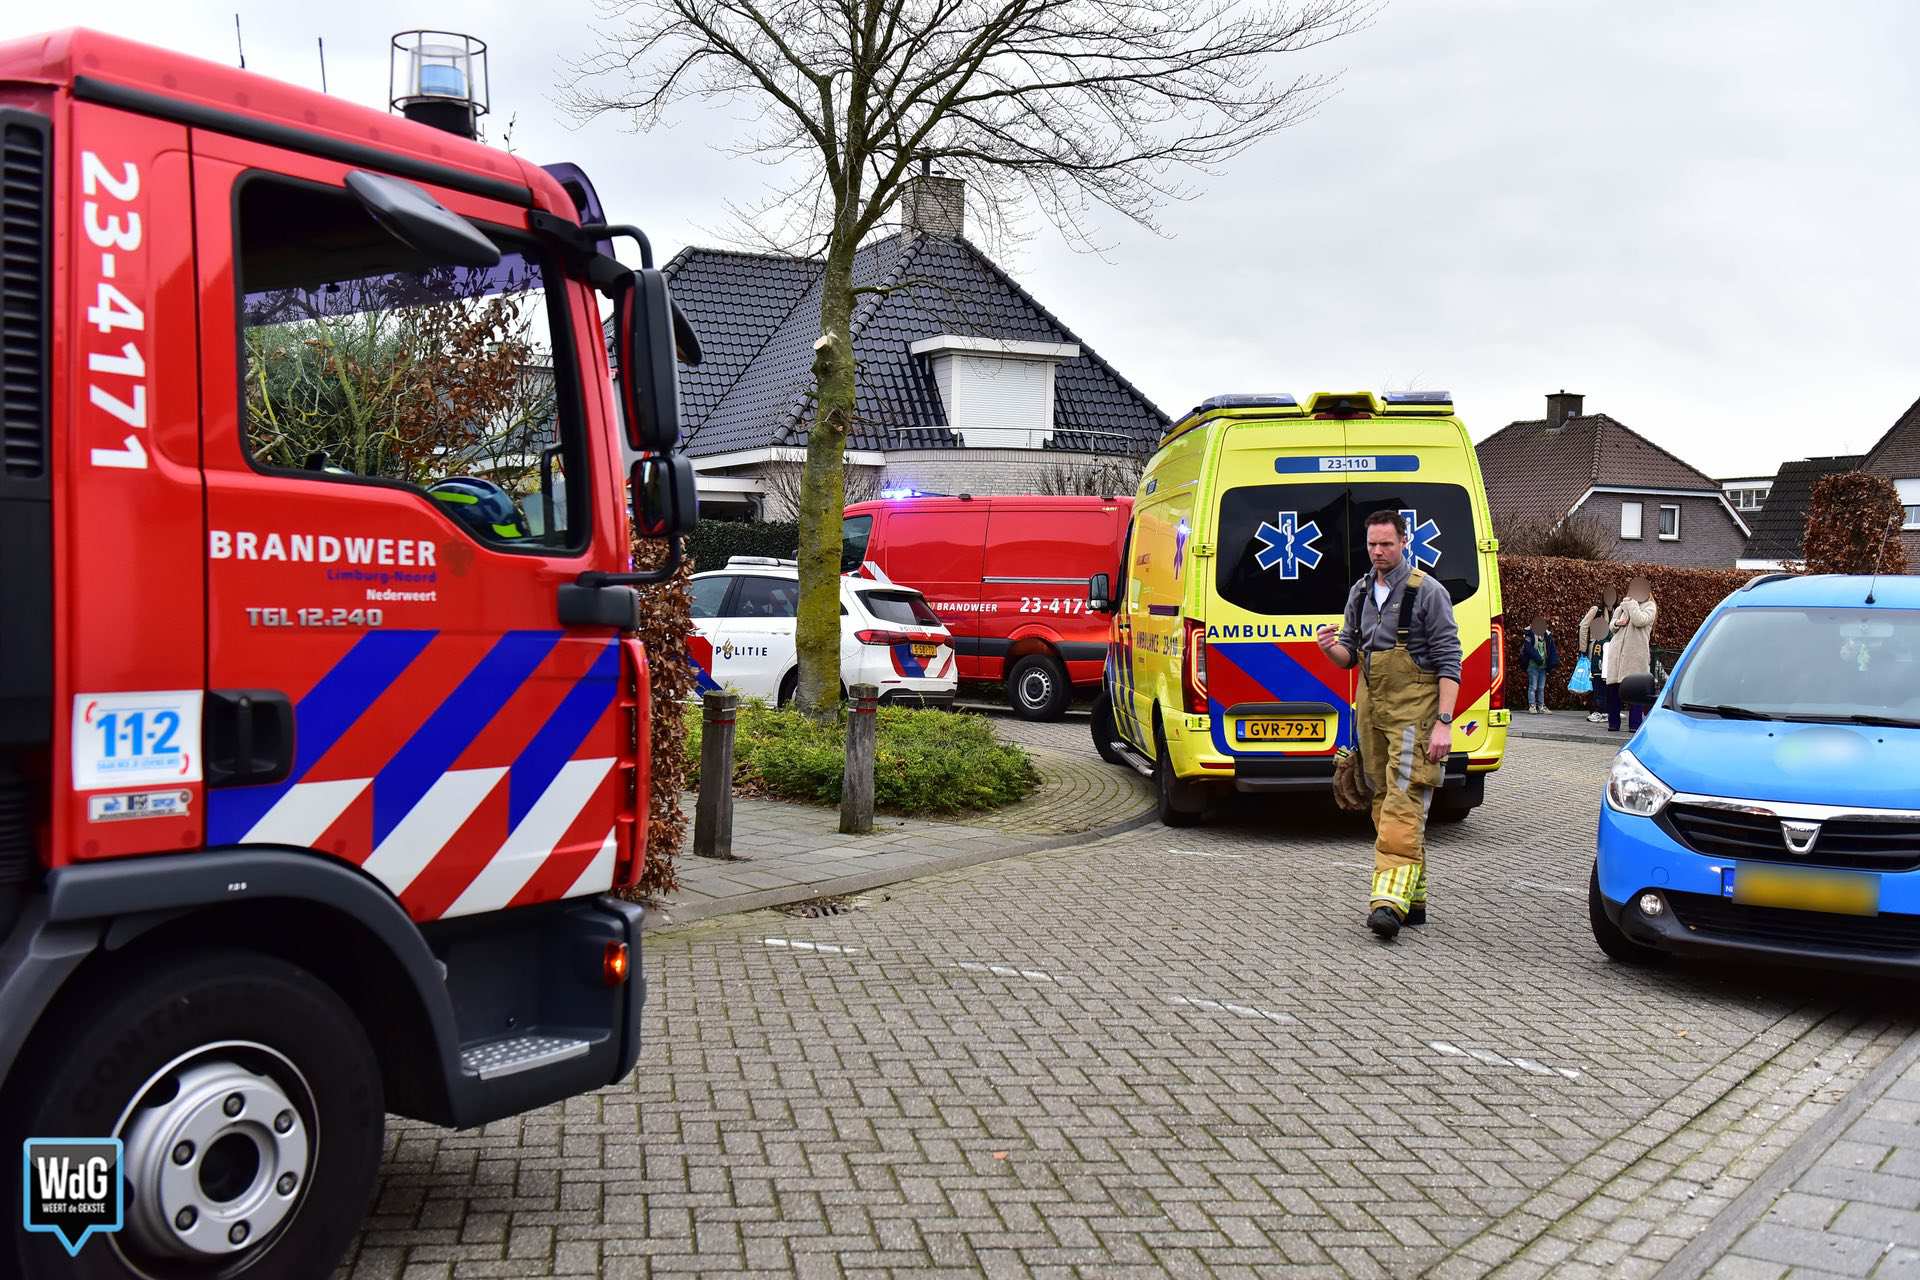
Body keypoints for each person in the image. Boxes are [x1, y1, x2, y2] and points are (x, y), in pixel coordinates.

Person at [1315, 510, 1463, 942]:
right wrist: (1329, 650)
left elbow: (1449, 663)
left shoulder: (1428, 593)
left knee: (1403, 801)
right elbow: (1348, 653)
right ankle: (1414, 898)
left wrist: (1444, 725)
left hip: (1414, 716)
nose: (1378, 552)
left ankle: (1387, 904)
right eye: (1372, 545)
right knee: (1382, 802)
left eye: (1387, 544)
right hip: (1371, 713)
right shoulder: (1360, 593)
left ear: (1404, 542)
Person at [1604, 576, 1657, 732]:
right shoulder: (1621, 607)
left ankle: (1634, 725)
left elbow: (1639, 620)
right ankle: (1613, 724)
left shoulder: (1650, 606)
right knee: (1613, 690)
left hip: (1636, 654)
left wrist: (1631, 605)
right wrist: (1616, 623)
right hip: (1616, 653)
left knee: (1636, 692)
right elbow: (1612, 626)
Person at [1579, 585, 1621, 723]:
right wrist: (1583, 649)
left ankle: (1609, 709)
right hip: (1596, 649)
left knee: (1610, 679)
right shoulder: (1596, 610)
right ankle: (1596, 709)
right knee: (1596, 678)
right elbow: (1583, 626)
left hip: (1611, 649)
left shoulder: (1617, 611)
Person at [1520, 615, 1559, 713]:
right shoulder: (1529, 634)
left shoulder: (1547, 635)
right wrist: (1538, 658)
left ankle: (1541, 706)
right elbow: (1528, 649)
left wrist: (1553, 662)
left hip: (1543, 666)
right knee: (1533, 686)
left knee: (1541, 687)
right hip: (1533, 665)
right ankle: (1532, 705)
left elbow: (1552, 650)